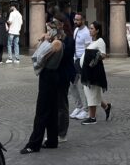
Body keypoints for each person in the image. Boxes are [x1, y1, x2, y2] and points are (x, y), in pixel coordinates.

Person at [20, 19, 65, 154]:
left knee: (42, 111)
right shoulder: (55, 42)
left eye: (49, 29)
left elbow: (40, 58)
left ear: (54, 30)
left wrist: (44, 41)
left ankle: (34, 144)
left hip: (49, 77)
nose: (47, 32)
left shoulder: (57, 43)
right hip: (50, 76)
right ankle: (52, 140)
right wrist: (43, 40)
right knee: (51, 110)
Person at [80, 20, 111, 124]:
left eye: (92, 28)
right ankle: (106, 107)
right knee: (93, 93)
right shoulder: (92, 41)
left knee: (91, 94)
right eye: (89, 28)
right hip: (87, 71)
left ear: (97, 30)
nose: (90, 30)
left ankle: (92, 118)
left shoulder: (100, 41)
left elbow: (103, 55)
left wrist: (96, 57)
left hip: (94, 72)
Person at [68, 13, 92, 119]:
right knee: (72, 84)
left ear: (83, 20)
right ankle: (79, 106)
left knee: (85, 86)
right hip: (75, 60)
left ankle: (86, 110)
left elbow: (88, 49)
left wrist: (86, 63)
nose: (75, 22)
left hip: (83, 62)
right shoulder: (76, 30)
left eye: (78, 20)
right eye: (75, 19)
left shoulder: (87, 32)